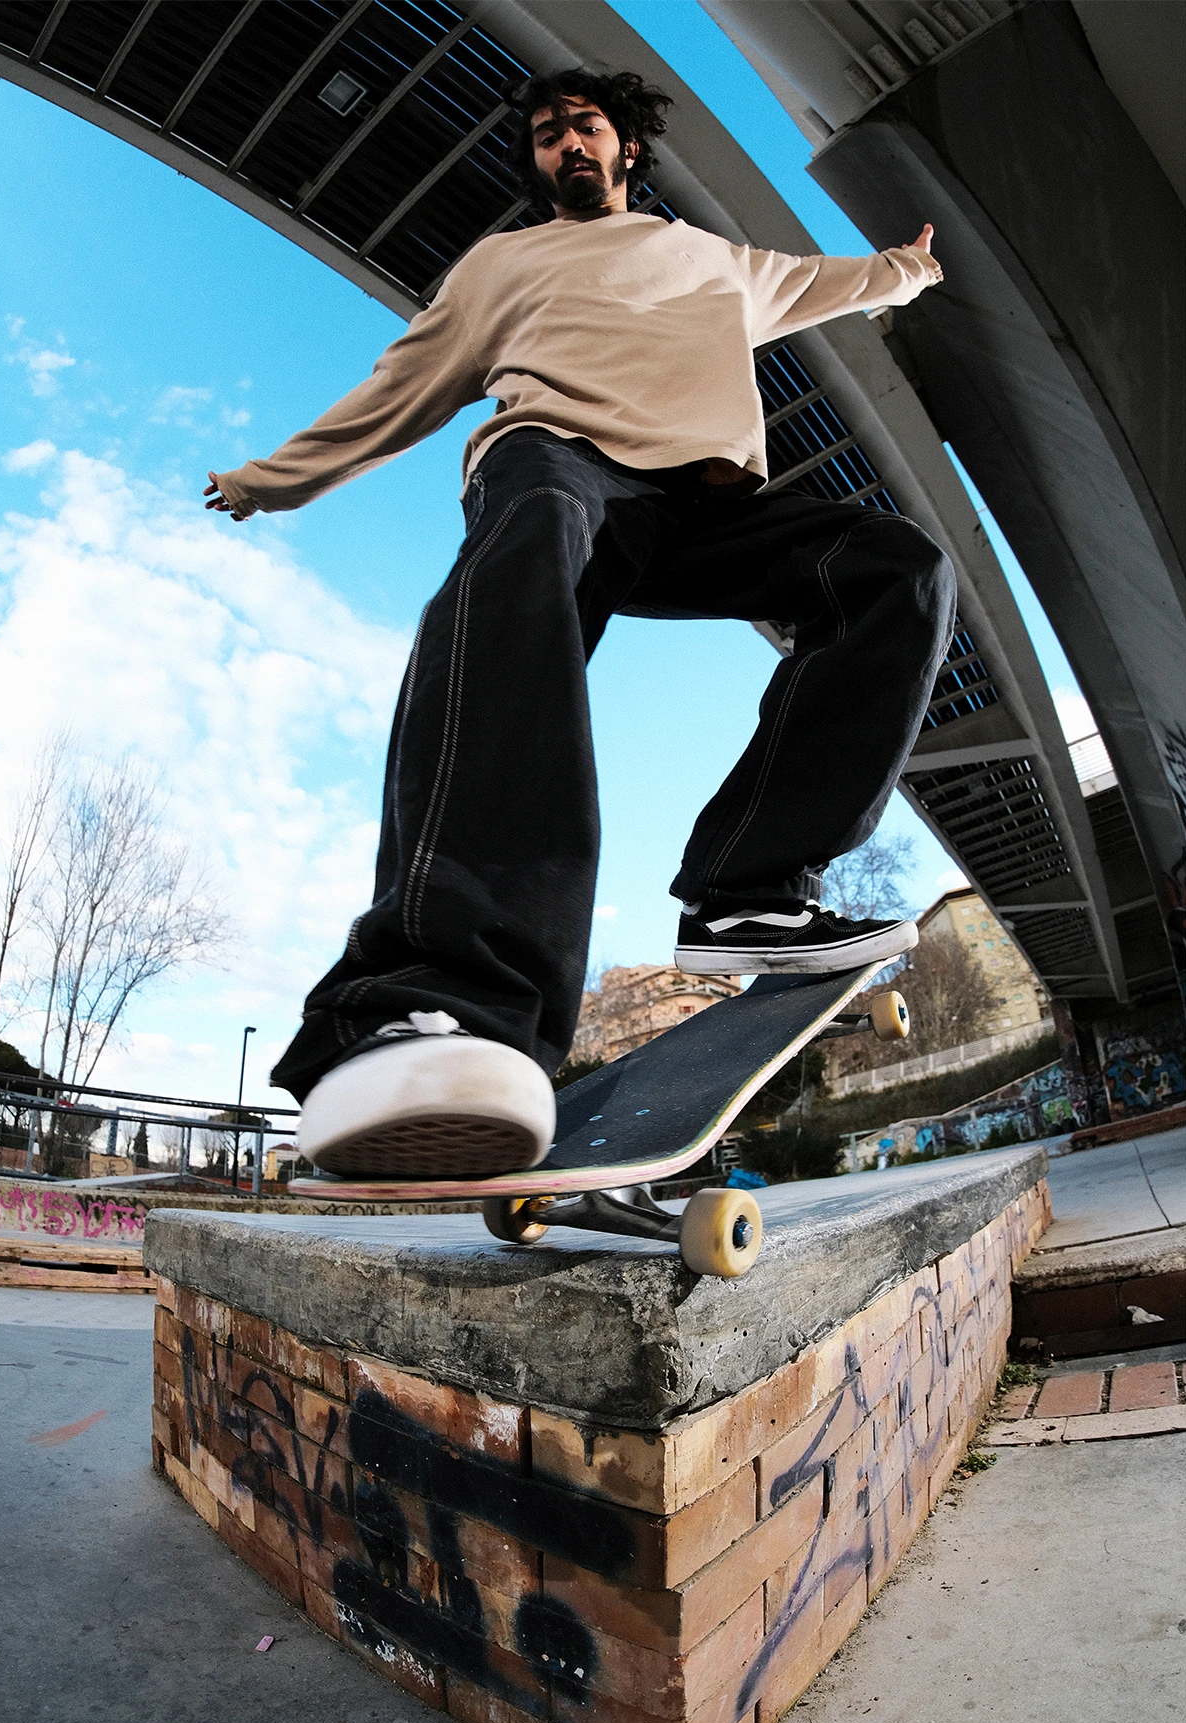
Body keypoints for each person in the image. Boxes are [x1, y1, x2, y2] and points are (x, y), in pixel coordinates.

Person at [205, 69, 955, 1181]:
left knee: (898, 568)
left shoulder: (716, 261)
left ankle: (747, 892)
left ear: (626, 150)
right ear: (537, 164)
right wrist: (277, 477)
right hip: (554, 465)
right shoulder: (501, 266)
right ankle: (439, 996)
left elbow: (831, 285)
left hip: (704, 507)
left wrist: (907, 269)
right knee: (528, 547)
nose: (565, 145)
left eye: (583, 128)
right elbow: (398, 387)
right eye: (546, 136)